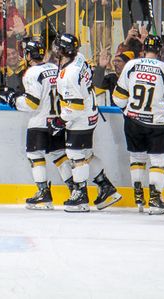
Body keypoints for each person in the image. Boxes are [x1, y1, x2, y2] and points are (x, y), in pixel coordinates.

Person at [0, 37, 73, 210]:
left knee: (34, 155)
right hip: (57, 120)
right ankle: (75, 190)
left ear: (28, 55)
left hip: (39, 121)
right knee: (59, 155)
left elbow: (32, 103)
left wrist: (13, 99)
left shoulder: (32, 72)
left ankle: (43, 194)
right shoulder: (55, 68)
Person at [111, 34, 164, 214]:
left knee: (137, 157)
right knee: (158, 160)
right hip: (156, 122)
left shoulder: (131, 65)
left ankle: (138, 195)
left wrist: (128, 110)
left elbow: (118, 98)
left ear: (143, 49)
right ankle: (155, 199)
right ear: (160, 51)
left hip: (132, 121)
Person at [53, 32, 121, 212]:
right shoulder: (79, 58)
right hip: (90, 113)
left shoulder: (69, 75)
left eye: (58, 47)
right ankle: (106, 188)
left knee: (75, 155)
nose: (55, 49)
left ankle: (81, 197)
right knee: (86, 154)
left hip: (80, 117)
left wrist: (60, 121)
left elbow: (74, 106)